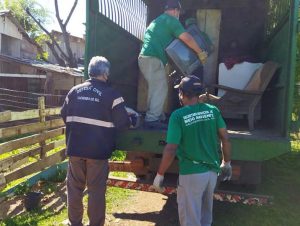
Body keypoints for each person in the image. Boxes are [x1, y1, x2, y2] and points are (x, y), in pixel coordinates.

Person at [152, 75, 232, 226]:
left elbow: (171, 148)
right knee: (205, 217)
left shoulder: (178, 116)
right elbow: (225, 138)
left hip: (192, 174)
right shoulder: (213, 111)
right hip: (211, 173)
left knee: (190, 220)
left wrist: (160, 174)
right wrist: (226, 163)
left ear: (182, 93)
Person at [61, 56, 130, 226]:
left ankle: (74, 223)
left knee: (74, 190)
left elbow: (64, 114)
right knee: (96, 191)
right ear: (105, 73)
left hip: (75, 150)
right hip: (97, 153)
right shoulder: (112, 94)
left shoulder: (74, 91)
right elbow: (123, 124)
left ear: (89, 72)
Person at [138, 0, 208, 129]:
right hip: (152, 58)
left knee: (156, 87)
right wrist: (200, 52)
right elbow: (186, 38)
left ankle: (156, 116)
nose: (179, 15)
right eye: (179, 12)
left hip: (147, 58)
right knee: (160, 88)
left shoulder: (158, 20)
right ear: (176, 10)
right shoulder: (171, 20)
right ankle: (152, 119)